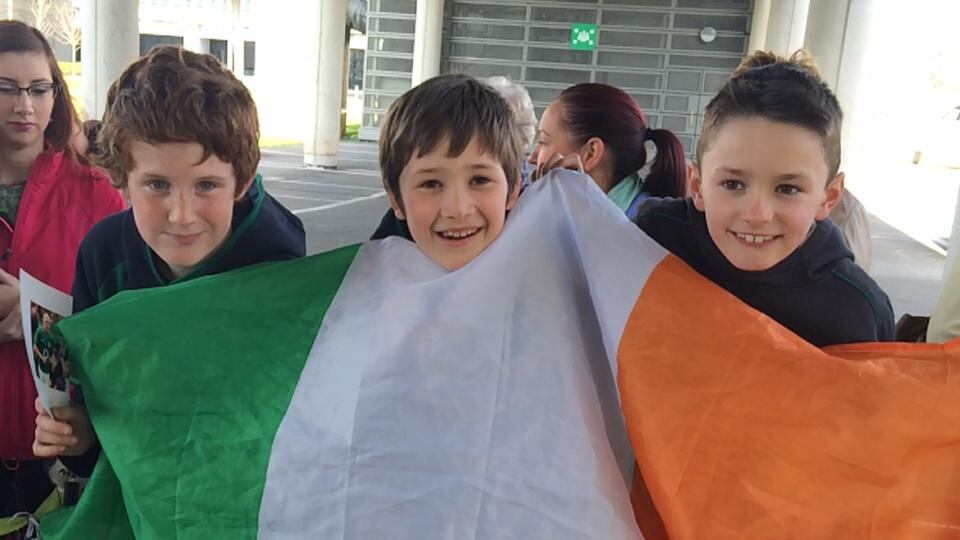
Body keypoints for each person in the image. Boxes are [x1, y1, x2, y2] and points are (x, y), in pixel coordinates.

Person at [31, 45, 306, 485]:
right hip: (138, 498)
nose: (182, 214)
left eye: (207, 185)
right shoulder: (104, 257)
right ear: (120, 178)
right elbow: (88, 407)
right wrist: (76, 437)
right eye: (157, 184)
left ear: (244, 181)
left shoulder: (279, 265)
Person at [633, 50, 895, 346]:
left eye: (787, 189)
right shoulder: (650, 240)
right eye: (732, 184)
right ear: (697, 185)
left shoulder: (857, 312)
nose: (757, 215)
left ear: (829, 197)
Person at [0, 20, 125, 523]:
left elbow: (123, 316)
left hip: (56, 443)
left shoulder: (96, 194)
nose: (24, 105)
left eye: (38, 88)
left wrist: (35, 321)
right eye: (6, 88)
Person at [371, 73, 523, 270]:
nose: (457, 209)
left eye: (479, 180)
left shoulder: (555, 283)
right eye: (431, 184)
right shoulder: (354, 293)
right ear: (395, 200)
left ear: (512, 190)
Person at [528, 82, 687, 218]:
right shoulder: (585, 216)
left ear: (591, 153)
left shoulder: (647, 233)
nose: (532, 158)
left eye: (543, 141)